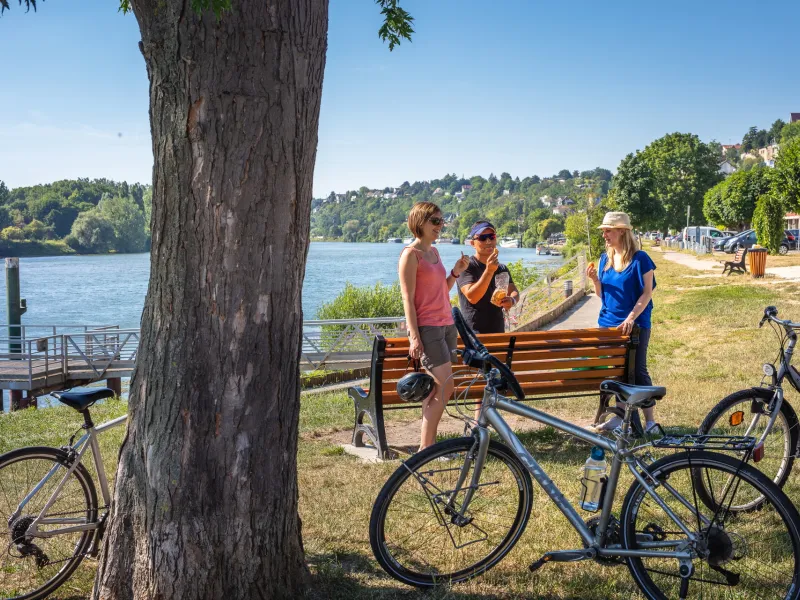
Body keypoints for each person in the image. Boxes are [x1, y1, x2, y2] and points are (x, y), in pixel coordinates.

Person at [399, 202, 470, 450]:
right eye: (436, 221)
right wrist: (413, 336)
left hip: (447, 325)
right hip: (428, 328)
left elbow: (442, 290)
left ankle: (426, 446)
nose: (441, 226)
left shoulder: (435, 253)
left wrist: (456, 272)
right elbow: (407, 298)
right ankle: (426, 449)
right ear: (420, 222)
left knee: (436, 389)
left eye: (441, 221)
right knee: (446, 386)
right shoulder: (411, 255)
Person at [586, 211, 659, 434]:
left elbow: (647, 293)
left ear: (622, 231)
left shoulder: (640, 259)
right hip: (608, 324)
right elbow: (602, 295)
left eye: (608, 230)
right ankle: (619, 418)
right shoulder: (603, 259)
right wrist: (595, 281)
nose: (605, 235)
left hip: (635, 324)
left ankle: (650, 422)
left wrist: (630, 318)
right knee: (615, 372)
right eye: (604, 231)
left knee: (637, 370)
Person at [456, 221, 519, 334]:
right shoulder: (466, 267)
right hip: (474, 336)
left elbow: (513, 290)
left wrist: (512, 300)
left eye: (492, 236)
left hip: (498, 332)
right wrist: (489, 271)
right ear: (472, 243)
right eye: (482, 238)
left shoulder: (501, 268)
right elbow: (472, 297)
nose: (488, 241)